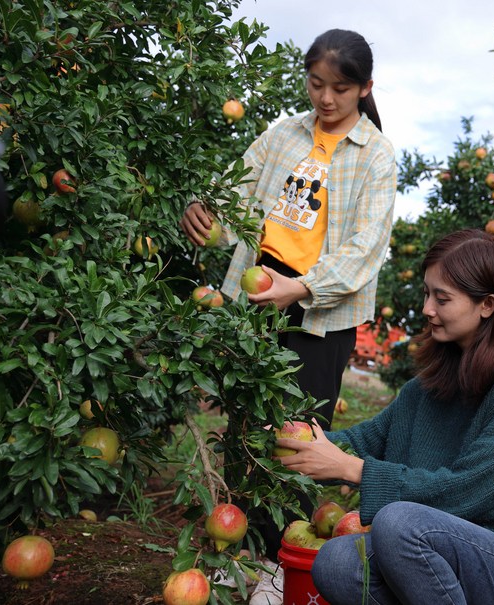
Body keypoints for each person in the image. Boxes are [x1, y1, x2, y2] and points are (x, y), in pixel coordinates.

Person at [178, 29, 396, 595]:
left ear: (364, 88)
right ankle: (238, 554)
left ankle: (280, 564)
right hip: (258, 297)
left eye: (341, 89)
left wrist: (299, 288)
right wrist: (203, 206)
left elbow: (364, 251)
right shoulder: (283, 135)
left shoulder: (376, 156)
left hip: (319, 312)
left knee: (299, 439)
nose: (325, 99)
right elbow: (236, 194)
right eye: (317, 84)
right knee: (246, 428)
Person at [276, 229, 494, 605]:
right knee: (337, 562)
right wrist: (287, 437)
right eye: (426, 293)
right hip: (447, 550)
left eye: (442, 298)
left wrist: (353, 470)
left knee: (399, 524)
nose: (427, 309)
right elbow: (364, 440)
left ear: (488, 304)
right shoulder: (431, 386)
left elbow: (471, 488)